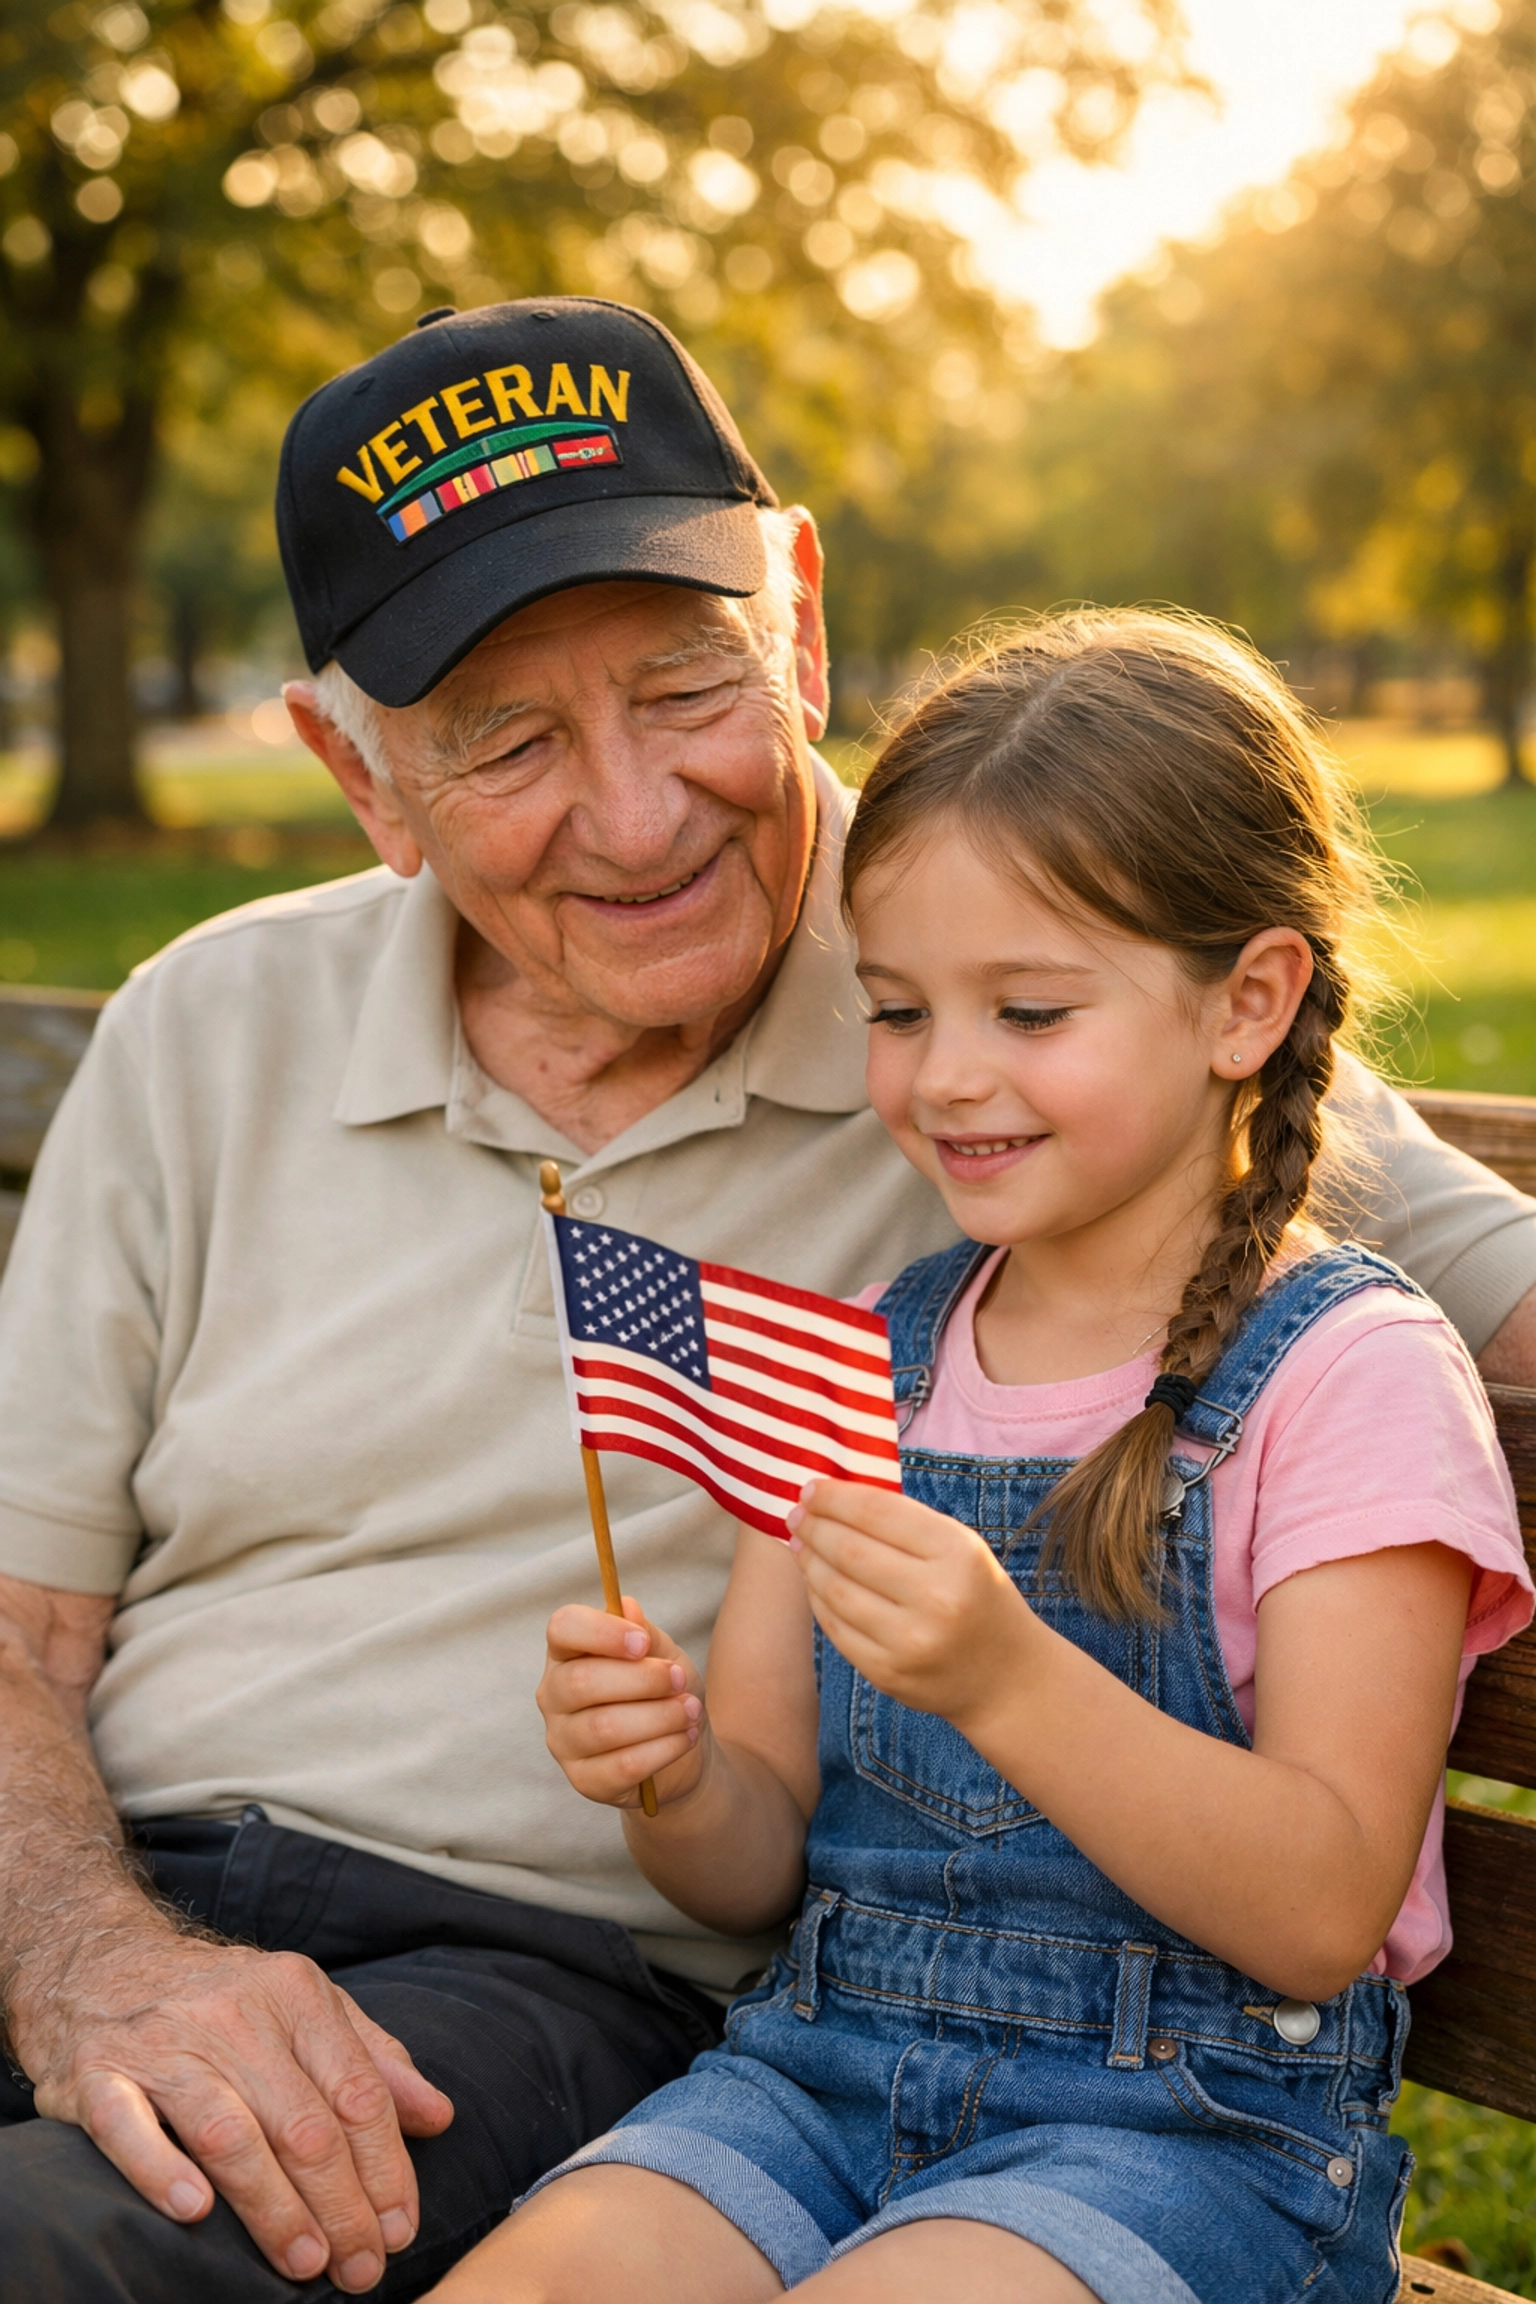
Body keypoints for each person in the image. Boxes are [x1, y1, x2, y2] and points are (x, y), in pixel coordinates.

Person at [0, 303, 1531, 2304]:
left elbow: (1420, 1272)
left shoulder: (1045, 999)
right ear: (358, 776)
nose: (639, 822)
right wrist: (89, 1955)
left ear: (797, 615)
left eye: (684, 686)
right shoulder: (212, 1024)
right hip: (124, 1894)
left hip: (556, 1993)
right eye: (511, 740)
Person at [432, 612, 1533, 2304]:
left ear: (1247, 999)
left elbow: (1323, 1906)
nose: (947, 1079)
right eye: (895, 1011)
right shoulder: (860, 1357)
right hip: (812, 2078)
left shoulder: (1348, 1378)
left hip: (1188, 2138)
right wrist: (671, 1782)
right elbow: (755, 1856)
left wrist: (1003, 1672)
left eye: (1027, 1010)